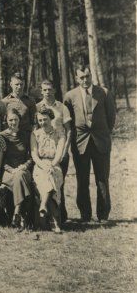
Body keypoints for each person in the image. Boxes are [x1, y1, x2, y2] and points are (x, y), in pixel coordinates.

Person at [63, 65, 116, 222]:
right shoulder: (70, 96)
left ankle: (103, 214)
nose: (85, 80)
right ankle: (85, 215)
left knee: (102, 179)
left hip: (101, 142)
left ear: (91, 75)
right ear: (76, 78)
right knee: (82, 179)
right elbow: (68, 121)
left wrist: (103, 133)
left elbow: (111, 118)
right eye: (81, 77)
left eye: (87, 76)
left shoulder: (104, 93)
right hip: (80, 143)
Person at [38, 79, 72, 220]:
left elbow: (69, 130)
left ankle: (61, 216)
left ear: (54, 90)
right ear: (41, 91)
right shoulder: (37, 107)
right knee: (45, 183)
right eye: (45, 90)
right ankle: (46, 217)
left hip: (60, 150)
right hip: (44, 153)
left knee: (59, 184)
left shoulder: (62, 107)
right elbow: (36, 131)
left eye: (50, 89)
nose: (47, 92)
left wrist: (65, 150)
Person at [31, 107, 67, 233]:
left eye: (45, 119)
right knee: (47, 178)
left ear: (50, 118)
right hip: (40, 166)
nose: (43, 122)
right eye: (40, 120)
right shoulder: (35, 134)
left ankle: (43, 205)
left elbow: (59, 154)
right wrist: (44, 166)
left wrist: (51, 165)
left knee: (51, 176)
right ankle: (54, 220)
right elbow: (34, 155)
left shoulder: (60, 134)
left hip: (54, 165)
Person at [0, 108, 34, 230]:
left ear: (19, 120)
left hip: (24, 170)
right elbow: (1, 160)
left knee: (20, 176)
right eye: (10, 120)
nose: (13, 122)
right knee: (18, 177)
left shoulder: (26, 135)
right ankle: (20, 214)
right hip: (8, 173)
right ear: (6, 121)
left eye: (15, 119)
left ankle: (17, 212)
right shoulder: (1, 136)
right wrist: (12, 170)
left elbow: (31, 157)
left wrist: (25, 166)